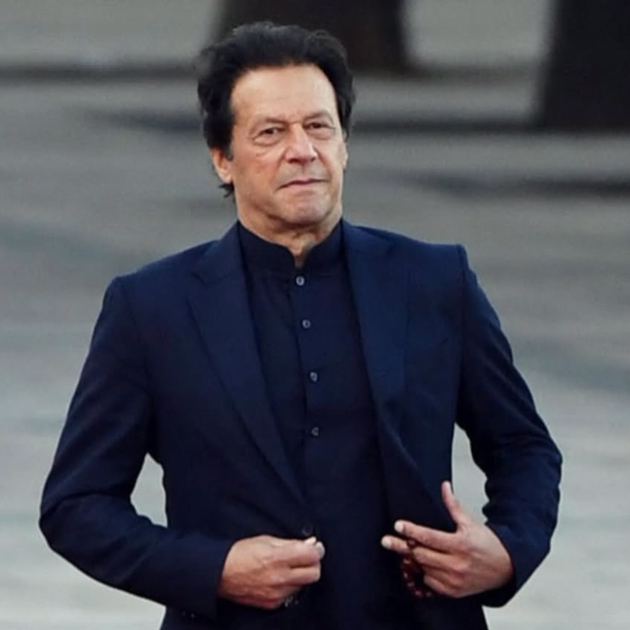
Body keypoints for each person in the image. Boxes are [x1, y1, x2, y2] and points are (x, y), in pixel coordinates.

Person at [40, 22, 562, 630]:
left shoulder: (434, 281)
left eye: (319, 127)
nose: (303, 150)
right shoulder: (152, 307)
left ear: (345, 145)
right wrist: (214, 569)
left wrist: (506, 549)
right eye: (271, 132)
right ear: (223, 159)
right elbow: (77, 505)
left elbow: (523, 446)